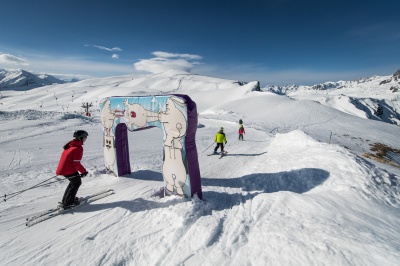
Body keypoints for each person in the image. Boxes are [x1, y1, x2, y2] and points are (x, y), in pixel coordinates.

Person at [56, 130, 89, 209]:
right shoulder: (78, 148)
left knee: (73, 183)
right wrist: (83, 171)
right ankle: (68, 203)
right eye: (85, 137)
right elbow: (76, 163)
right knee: (76, 183)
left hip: (64, 169)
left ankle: (66, 201)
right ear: (81, 138)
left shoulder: (71, 145)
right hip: (68, 169)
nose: (86, 139)